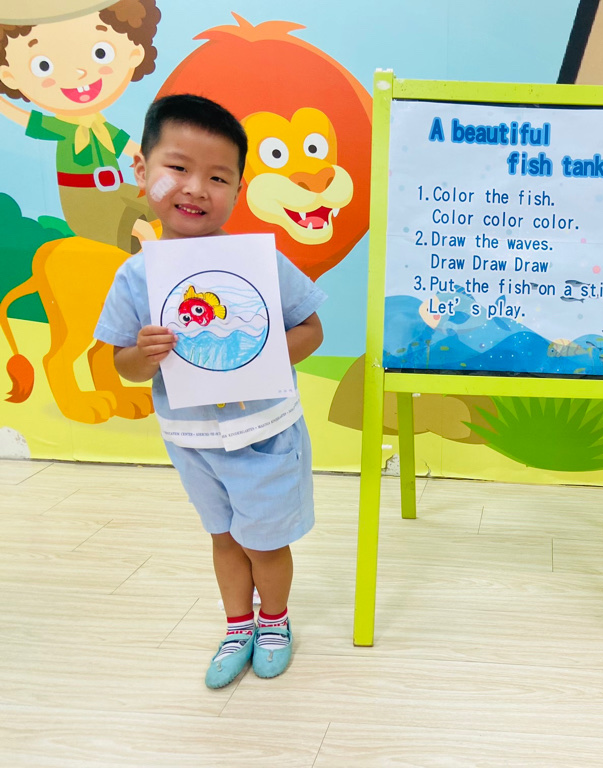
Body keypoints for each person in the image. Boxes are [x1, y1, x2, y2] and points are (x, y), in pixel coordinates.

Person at [94, 93, 326, 688]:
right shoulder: (135, 277)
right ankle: (237, 625)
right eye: (178, 168)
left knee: (265, 543)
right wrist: (142, 354)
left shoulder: (260, 262)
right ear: (142, 170)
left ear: (239, 190)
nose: (197, 188)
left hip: (265, 432)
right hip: (191, 438)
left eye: (219, 177)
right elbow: (124, 366)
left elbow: (311, 329)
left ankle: (273, 621)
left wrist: (263, 357)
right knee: (223, 537)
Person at [0, 0, 161, 251]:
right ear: (9, 76)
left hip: (117, 190)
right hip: (85, 201)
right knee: (140, 228)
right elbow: (27, 120)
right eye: (43, 66)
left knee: (161, 206)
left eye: (101, 53)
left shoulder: (100, 126)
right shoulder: (64, 128)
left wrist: (160, 163)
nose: (78, 73)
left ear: (134, 52)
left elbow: (130, 147)